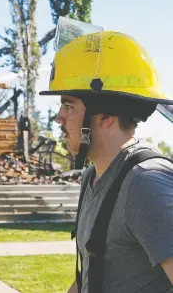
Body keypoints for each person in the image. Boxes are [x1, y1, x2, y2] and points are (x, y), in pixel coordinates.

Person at [39, 18, 173, 293]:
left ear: (106, 116)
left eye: (68, 105)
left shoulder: (145, 184)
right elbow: (94, 272)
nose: (58, 117)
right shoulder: (94, 176)